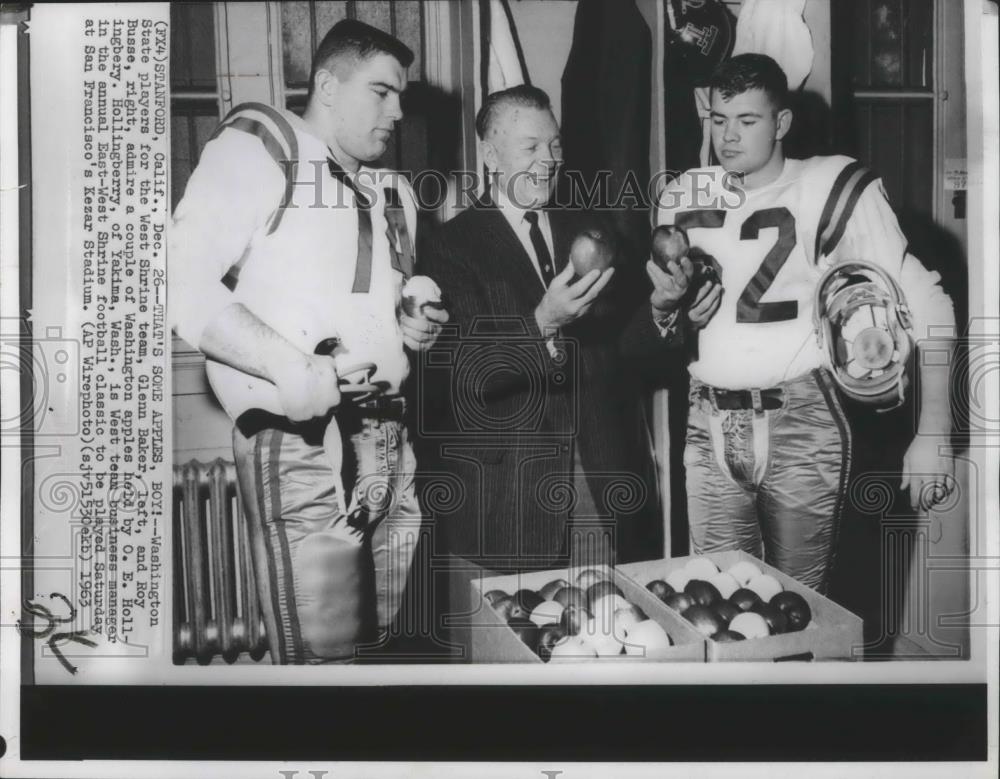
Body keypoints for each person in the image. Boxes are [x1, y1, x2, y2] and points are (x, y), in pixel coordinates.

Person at [169, 20, 448, 663]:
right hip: (304, 443)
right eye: (381, 92)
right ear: (326, 83)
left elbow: (379, 307)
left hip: (390, 443)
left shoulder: (393, 194)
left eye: (399, 96)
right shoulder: (263, 144)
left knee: (381, 651)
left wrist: (415, 321)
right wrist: (294, 369)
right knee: (324, 661)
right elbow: (178, 281)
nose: (398, 112)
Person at [647, 53, 955, 593]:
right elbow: (668, 328)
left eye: (748, 121)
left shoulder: (830, 182)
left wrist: (934, 431)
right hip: (707, 416)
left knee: (803, 606)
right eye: (719, 120)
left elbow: (928, 303)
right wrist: (665, 311)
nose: (729, 137)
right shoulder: (683, 194)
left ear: (782, 122)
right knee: (714, 601)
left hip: (800, 417)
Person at [420, 85, 662, 575]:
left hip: (598, 483)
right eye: (531, 147)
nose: (549, 160)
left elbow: (627, 353)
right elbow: (464, 374)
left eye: (555, 144)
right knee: (516, 643)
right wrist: (543, 322)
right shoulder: (451, 246)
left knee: (604, 633)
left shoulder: (593, 230)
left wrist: (664, 308)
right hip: (507, 501)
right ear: (489, 155)